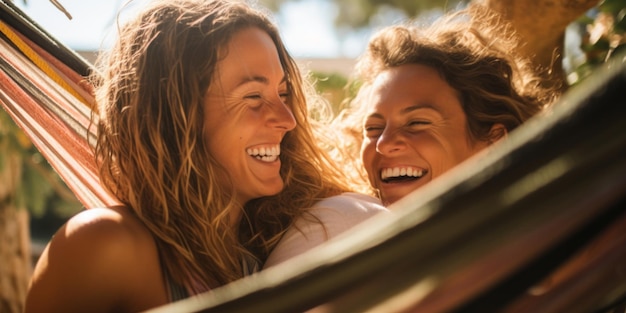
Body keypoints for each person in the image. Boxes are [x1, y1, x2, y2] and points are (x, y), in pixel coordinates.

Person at [24, 0, 386, 312]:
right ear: (175, 114)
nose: (287, 120)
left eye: (283, 93)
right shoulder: (106, 247)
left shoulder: (263, 257)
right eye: (253, 97)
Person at [333, 4, 558, 206]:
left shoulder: (543, 232)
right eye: (373, 129)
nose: (384, 143)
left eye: (417, 122)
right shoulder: (340, 226)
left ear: (493, 141)